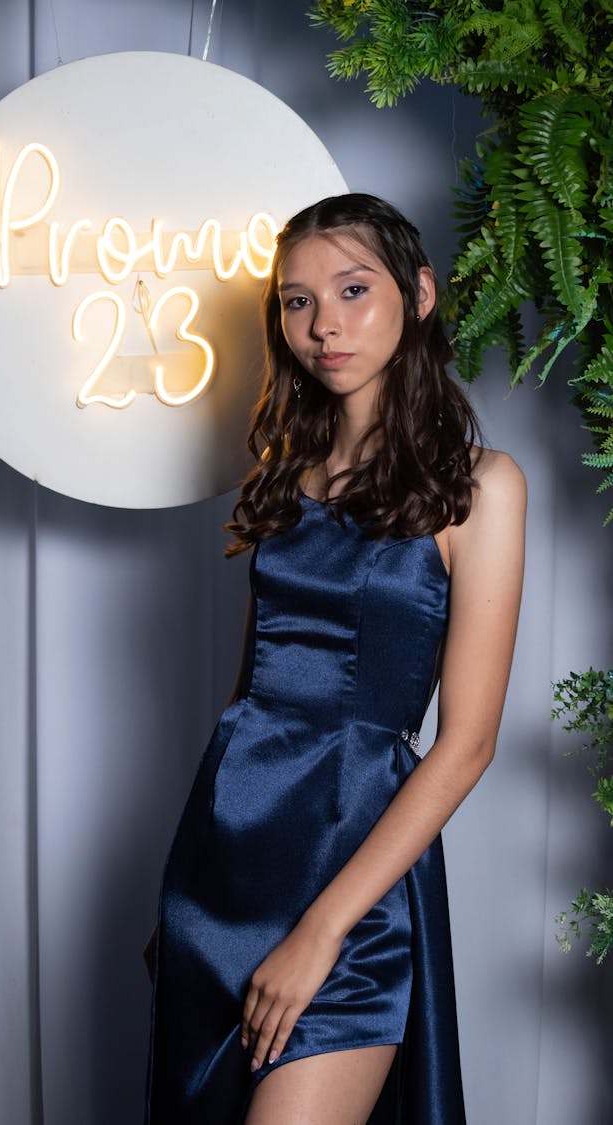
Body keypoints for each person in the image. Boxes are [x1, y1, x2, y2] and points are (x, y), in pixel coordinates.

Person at [144, 193, 526, 1124]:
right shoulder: (283, 465)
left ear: (421, 294)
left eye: (354, 290)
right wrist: (186, 890)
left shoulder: (483, 486)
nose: (324, 325)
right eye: (297, 301)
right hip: (223, 870)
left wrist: (321, 929)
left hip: (352, 882)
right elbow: (252, 696)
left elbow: (465, 744)